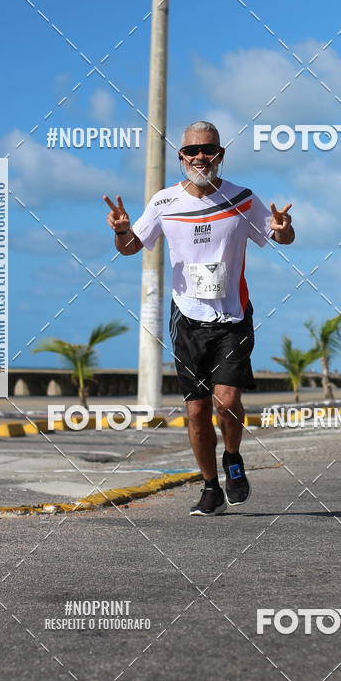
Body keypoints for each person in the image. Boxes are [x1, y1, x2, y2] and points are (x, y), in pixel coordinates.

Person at [104, 120, 295, 515]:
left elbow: (278, 236)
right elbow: (131, 247)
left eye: (208, 150)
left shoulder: (242, 199)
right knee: (196, 410)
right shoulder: (163, 203)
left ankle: (233, 458)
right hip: (187, 318)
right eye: (192, 151)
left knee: (226, 403)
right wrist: (122, 231)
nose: (200, 157)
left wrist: (284, 229)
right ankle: (210, 487)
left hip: (233, 316)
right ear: (181, 157)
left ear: (221, 155)